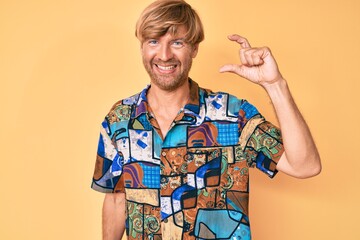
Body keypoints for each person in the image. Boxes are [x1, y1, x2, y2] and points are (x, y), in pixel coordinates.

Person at [91, 0, 321, 239]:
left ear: (194, 48)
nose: (164, 55)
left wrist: (275, 85)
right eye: (153, 41)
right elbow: (117, 198)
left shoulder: (233, 115)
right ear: (142, 47)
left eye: (177, 42)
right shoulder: (119, 119)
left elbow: (305, 165)